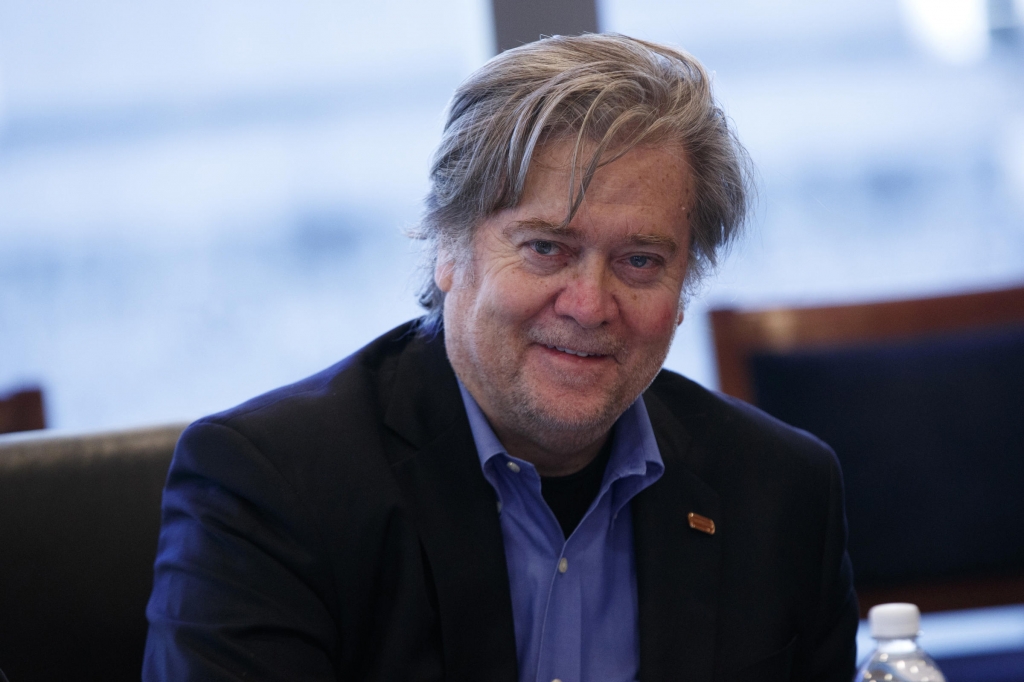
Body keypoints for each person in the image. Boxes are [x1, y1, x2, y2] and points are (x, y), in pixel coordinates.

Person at [144, 33, 858, 682]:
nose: (588, 304)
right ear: (449, 248)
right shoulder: (271, 490)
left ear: (683, 289)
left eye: (640, 261)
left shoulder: (782, 491)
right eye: (547, 248)